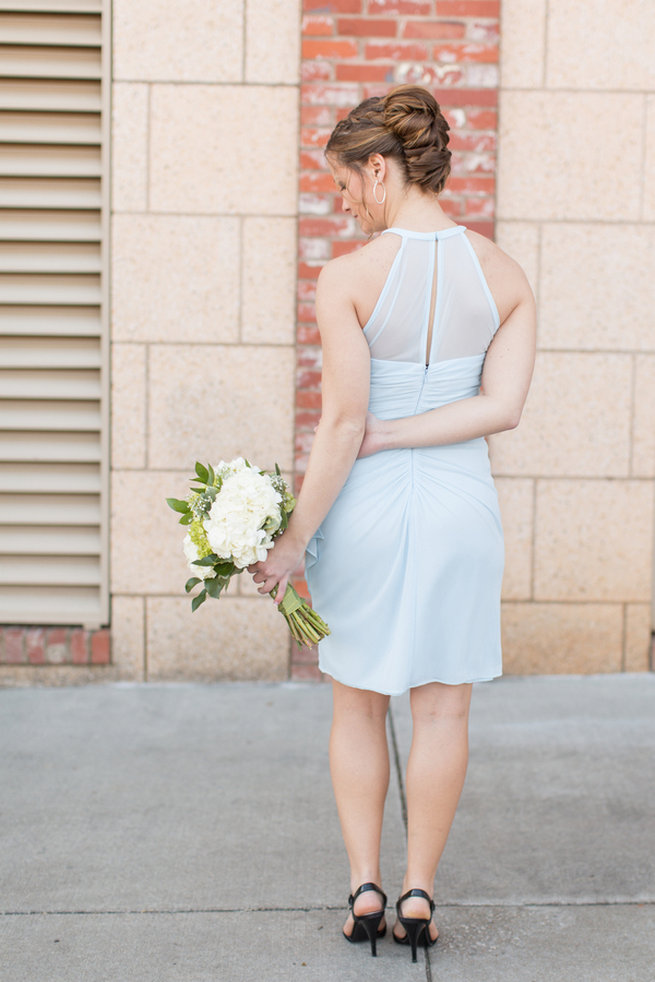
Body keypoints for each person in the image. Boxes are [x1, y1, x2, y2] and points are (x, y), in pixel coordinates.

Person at [249, 84, 536, 962]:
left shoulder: (348, 277)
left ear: (380, 167)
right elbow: (503, 407)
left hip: (369, 507)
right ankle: (419, 894)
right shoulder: (505, 276)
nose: (344, 204)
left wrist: (292, 538)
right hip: (459, 508)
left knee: (358, 701)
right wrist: (413, 431)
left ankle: (364, 885)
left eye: (345, 185)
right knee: (443, 711)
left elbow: (341, 424)